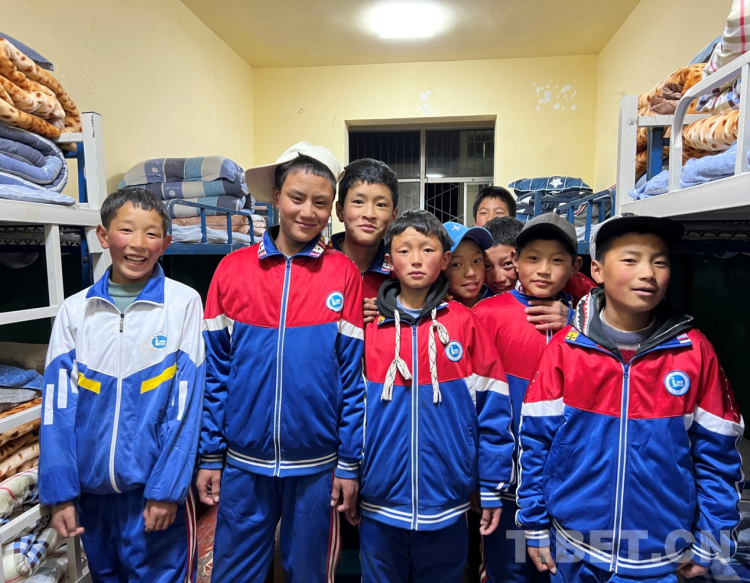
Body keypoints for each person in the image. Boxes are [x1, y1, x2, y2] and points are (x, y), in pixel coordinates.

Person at [517, 214, 744, 582]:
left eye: (660, 262)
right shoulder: (566, 349)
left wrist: (711, 541)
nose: (648, 273)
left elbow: (718, 455)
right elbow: (535, 445)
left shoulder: (694, 351)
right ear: (596, 270)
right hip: (573, 551)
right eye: (631, 260)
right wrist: (534, 524)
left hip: (661, 554)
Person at [197, 143, 366, 582]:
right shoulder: (232, 270)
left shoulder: (343, 273)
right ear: (276, 197)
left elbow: (353, 377)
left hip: (317, 466)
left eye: (320, 203)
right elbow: (215, 373)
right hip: (243, 462)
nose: (308, 212)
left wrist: (349, 461)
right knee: (234, 573)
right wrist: (211, 454)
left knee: (308, 573)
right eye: (296, 197)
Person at [40, 187, 205, 582]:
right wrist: (61, 493)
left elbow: (185, 410)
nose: (138, 244)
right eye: (126, 230)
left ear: (166, 243)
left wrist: (167, 490)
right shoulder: (76, 311)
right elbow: (56, 410)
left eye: (152, 234)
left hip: (152, 492)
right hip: (92, 495)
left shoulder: (182, 304)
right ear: (102, 235)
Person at [358, 209, 515, 582]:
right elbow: (349, 407)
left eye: (427, 250)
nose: (416, 260)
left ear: (443, 260)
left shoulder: (465, 324)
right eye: (404, 250)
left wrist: (491, 484)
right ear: (389, 261)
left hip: (447, 499)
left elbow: (493, 408)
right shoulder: (370, 331)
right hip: (379, 499)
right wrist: (349, 468)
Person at [473, 213, 581, 583]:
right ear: (516, 261)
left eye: (557, 260)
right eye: (533, 258)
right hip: (508, 483)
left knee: (561, 570)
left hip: (571, 483)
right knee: (510, 571)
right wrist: (483, 474)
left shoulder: (587, 323)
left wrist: (577, 320)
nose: (544, 270)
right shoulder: (487, 315)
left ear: (575, 266)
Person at [332, 157, 398, 299]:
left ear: (393, 216)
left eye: (381, 205)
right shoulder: (315, 265)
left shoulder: (402, 271)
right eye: (358, 202)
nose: (369, 214)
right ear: (340, 211)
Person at [442, 221, 494, 308]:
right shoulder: (435, 310)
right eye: (456, 264)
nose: (471, 273)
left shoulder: (498, 300)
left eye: (476, 261)